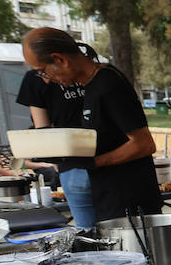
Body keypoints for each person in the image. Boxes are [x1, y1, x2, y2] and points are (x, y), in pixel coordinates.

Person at [22, 28, 161, 222]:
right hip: (107, 197)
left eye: (42, 71)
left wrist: (95, 162)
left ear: (60, 59)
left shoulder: (108, 84)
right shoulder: (91, 85)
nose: (45, 79)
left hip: (128, 202)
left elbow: (144, 144)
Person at [17, 54, 92, 225]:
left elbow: (42, 129)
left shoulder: (35, 78)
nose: (45, 78)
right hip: (112, 160)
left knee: (89, 234)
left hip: (73, 163)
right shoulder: (96, 72)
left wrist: (56, 163)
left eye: (42, 71)